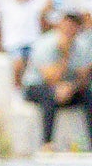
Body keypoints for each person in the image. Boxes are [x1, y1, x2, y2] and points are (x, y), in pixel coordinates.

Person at [21, 13, 92, 152]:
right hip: (37, 86)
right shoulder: (46, 44)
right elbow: (50, 78)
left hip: (67, 88)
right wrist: (65, 55)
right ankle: (47, 142)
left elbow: (83, 78)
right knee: (49, 95)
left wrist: (71, 87)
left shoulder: (81, 46)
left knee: (89, 96)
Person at [0, 0, 44, 88]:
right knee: (18, 63)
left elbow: (49, 7)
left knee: (36, 64)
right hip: (13, 43)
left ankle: (28, 90)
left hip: (33, 43)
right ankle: (17, 90)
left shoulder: (35, 3)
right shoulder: (6, 4)